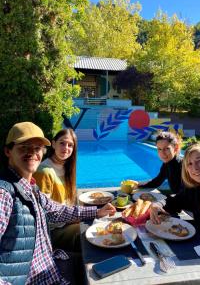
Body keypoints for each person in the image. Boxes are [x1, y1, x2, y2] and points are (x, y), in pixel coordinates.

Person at [0, 122, 116, 284]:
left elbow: (57, 210)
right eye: (24, 147)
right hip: (34, 278)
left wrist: (97, 212)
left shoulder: (30, 187)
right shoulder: (4, 193)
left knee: (97, 264)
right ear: (8, 151)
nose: (32, 153)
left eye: (37, 148)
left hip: (49, 268)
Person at [150, 143, 200, 243]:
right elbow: (174, 201)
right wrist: (157, 205)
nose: (195, 168)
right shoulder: (194, 190)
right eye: (189, 164)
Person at [34, 129, 79, 251]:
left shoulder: (66, 167)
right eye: (62, 143)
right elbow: (44, 213)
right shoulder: (44, 171)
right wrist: (73, 217)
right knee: (87, 229)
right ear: (53, 144)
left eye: (70, 145)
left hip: (67, 222)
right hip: (52, 232)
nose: (66, 148)